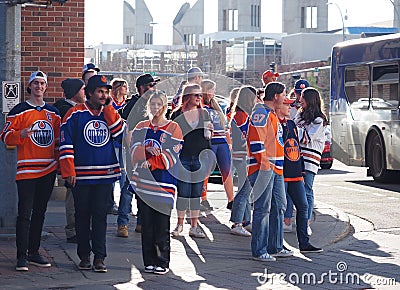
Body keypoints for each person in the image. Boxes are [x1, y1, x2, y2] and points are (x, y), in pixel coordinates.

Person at [60, 75, 125, 273]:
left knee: (100, 217)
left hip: (104, 176)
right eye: (100, 92)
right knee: (82, 216)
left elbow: (120, 135)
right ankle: (84, 256)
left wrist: (109, 111)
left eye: (106, 92)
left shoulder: (110, 112)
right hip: (81, 175)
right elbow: (65, 143)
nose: (104, 95)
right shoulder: (74, 113)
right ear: (89, 93)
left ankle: (99, 257)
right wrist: (68, 170)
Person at [1, 71, 61, 271]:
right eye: (35, 83)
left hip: (48, 169)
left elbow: (59, 141)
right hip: (26, 170)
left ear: (46, 87)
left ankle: (34, 251)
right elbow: (5, 136)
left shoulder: (53, 113)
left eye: (42, 83)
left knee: (40, 213)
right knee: (24, 213)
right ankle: (21, 256)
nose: (39, 86)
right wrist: (21, 134)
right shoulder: (18, 110)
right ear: (30, 86)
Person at [130, 91, 183, 275]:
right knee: (147, 225)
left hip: (164, 185)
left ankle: (162, 261)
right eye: (152, 104)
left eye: (159, 104)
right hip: (144, 185)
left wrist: (151, 161)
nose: (155, 107)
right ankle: (149, 260)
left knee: (161, 225)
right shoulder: (141, 126)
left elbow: (172, 155)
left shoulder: (174, 127)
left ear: (165, 105)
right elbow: (133, 149)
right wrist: (145, 150)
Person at [247, 82, 292, 261]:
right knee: (262, 209)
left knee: (279, 206)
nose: (285, 98)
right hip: (264, 169)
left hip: (275, 168)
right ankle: (259, 250)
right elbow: (256, 141)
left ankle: (275, 246)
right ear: (275, 96)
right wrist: (265, 165)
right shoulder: (261, 113)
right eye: (283, 94)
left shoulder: (271, 114)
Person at [276, 96, 323, 253]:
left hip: (295, 173)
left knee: (303, 206)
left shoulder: (291, 123)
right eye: (287, 105)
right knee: (279, 209)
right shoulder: (275, 123)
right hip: (281, 172)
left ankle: (304, 243)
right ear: (278, 106)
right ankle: (276, 244)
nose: (291, 107)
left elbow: (297, 146)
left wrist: (301, 170)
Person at [116, 73, 159, 237]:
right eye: (151, 85)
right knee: (128, 188)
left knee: (145, 189)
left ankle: (142, 222)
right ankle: (123, 224)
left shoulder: (154, 104)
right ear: (142, 87)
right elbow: (127, 132)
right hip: (133, 152)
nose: (154, 88)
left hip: (150, 153)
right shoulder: (133, 105)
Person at [170, 84, 212, 239]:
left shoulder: (204, 113)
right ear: (187, 96)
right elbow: (171, 136)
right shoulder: (176, 114)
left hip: (200, 157)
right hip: (183, 158)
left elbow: (208, 138)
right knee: (183, 193)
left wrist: (210, 134)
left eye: (200, 95)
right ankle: (179, 224)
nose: (199, 98)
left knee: (196, 194)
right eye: (196, 95)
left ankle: (194, 226)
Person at [54, 78, 86, 243]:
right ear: (74, 93)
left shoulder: (79, 109)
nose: (85, 92)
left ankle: (79, 228)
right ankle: (72, 230)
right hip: (70, 160)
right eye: (82, 89)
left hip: (80, 160)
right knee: (73, 196)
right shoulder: (65, 110)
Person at [294, 87, 328, 237]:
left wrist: (293, 129)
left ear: (310, 99)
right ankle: (292, 221)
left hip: (310, 160)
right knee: (296, 190)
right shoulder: (300, 116)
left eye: (302, 97)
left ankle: (306, 222)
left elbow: (306, 137)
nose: (300, 99)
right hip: (297, 157)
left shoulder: (319, 120)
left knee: (307, 189)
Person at [200, 79, 234, 210]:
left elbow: (225, 127)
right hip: (210, 142)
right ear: (206, 90)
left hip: (222, 142)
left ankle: (231, 199)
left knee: (227, 171)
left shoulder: (217, 106)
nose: (214, 92)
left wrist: (229, 142)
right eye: (212, 89)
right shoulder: (201, 107)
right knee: (206, 171)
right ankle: (203, 198)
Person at [229, 85, 258, 237]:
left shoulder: (242, 114)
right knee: (244, 190)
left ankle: (246, 221)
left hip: (242, 156)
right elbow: (247, 135)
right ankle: (237, 222)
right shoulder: (241, 115)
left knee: (245, 190)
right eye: (254, 96)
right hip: (242, 156)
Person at [284, 79, 310, 232]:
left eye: (302, 94)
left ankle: (304, 226)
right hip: (291, 153)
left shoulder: (310, 111)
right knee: (288, 192)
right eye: (297, 93)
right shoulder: (291, 108)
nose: (299, 97)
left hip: (301, 154)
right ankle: (287, 221)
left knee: (305, 192)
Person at [108, 78, 129, 216]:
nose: (126, 88)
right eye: (123, 86)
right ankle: (110, 203)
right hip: (113, 143)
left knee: (124, 173)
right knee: (111, 174)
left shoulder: (126, 104)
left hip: (124, 144)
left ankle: (124, 204)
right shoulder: (110, 104)